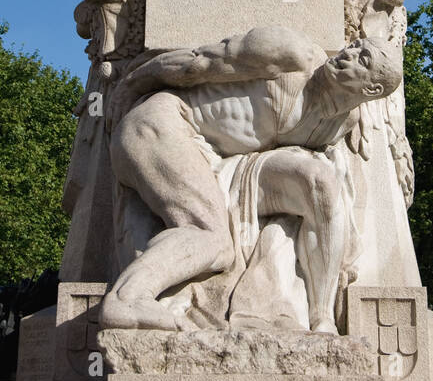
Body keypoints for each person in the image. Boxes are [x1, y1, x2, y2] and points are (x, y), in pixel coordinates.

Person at [100, 25, 402, 333]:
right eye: (355, 45)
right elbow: (197, 61)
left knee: (320, 185)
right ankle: (128, 299)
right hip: (163, 124)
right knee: (212, 238)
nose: (347, 53)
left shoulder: (339, 123)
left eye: (362, 59)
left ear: (372, 91)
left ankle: (320, 318)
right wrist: (127, 88)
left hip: (215, 161)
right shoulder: (292, 53)